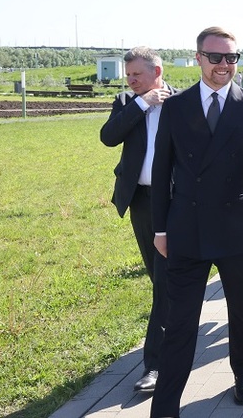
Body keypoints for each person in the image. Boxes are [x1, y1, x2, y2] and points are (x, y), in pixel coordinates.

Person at [149, 27, 243, 416]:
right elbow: (162, 171)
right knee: (179, 323)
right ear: (198, 59)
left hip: (237, 230)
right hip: (186, 230)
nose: (225, 66)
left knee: (242, 311)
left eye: (232, 58)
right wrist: (160, 227)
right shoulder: (176, 107)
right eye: (216, 58)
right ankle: (164, 408)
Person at [99, 46, 175, 393]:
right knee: (159, 279)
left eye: (137, 75)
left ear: (157, 72)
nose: (130, 80)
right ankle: (176, 332)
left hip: (175, 203)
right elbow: (109, 137)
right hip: (141, 203)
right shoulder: (126, 102)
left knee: (164, 281)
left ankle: (154, 366)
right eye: (128, 75)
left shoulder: (182, 101)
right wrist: (143, 103)